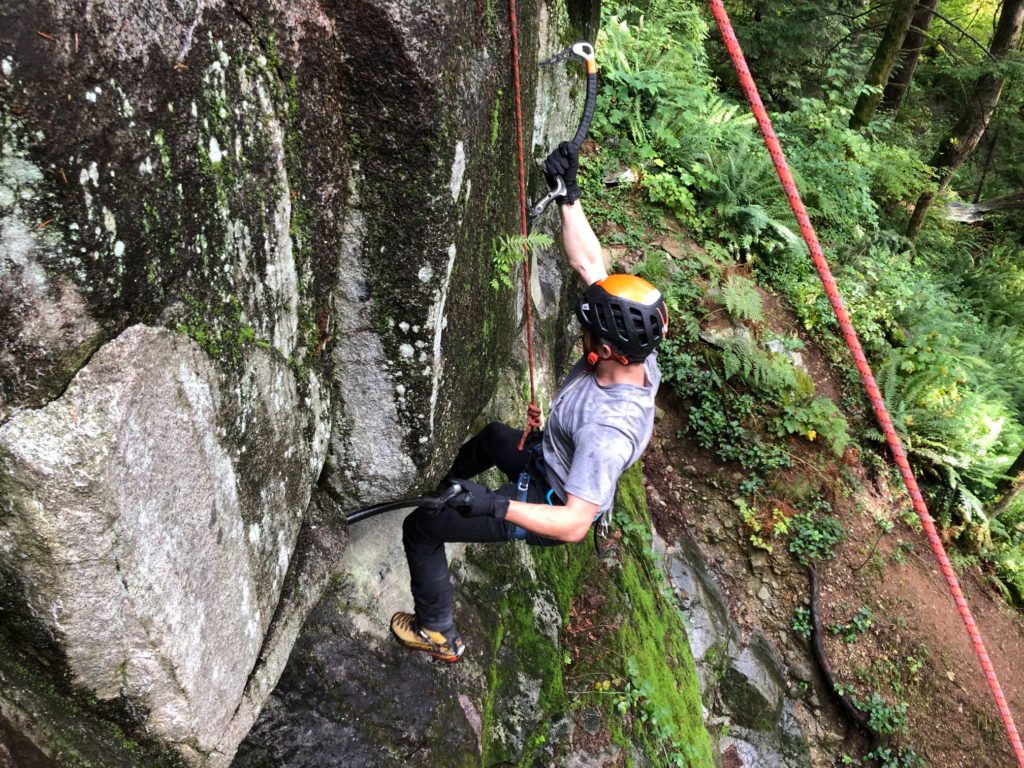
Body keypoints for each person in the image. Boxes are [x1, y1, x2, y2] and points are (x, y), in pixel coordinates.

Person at [390, 142, 668, 661]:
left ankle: (438, 633)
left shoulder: (608, 432)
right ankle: (444, 489)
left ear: (606, 349)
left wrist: (494, 503)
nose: (581, 330)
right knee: (495, 438)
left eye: (587, 331)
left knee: (420, 528)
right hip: (548, 457)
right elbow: (590, 263)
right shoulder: (636, 352)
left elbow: (573, 523)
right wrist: (568, 195)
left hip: (549, 502)